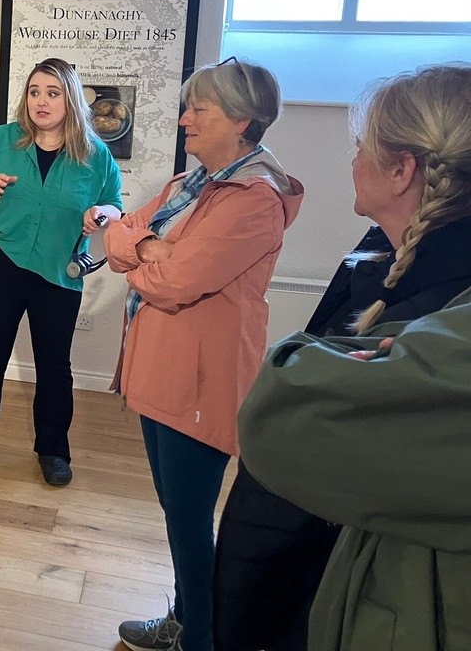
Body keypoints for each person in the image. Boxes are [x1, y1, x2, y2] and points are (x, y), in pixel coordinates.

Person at [217, 62, 471, 651]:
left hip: (371, 602)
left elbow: (283, 416)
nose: (352, 160)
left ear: (402, 169)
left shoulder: (439, 304)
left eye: (362, 147)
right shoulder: (382, 253)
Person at [102, 57, 303, 651]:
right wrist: (149, 247)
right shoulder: (189, 186)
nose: (184, 118)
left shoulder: (254, 198)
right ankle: (187, 620)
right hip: (159, 369)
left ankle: (199, 638)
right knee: (177, 513)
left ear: (241, 120)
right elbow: (116, 241)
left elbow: (176, 282)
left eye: (199, 109)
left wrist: (142, 249)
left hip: (200, 382)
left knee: (188, 520)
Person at [0, 58, 123, 486]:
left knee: (55, 365)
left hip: (60, 271)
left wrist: (102, 213)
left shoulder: (95, 155)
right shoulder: (1, 140)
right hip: (2, 261)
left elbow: (115, 202)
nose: (41, 101)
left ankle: (54, 451)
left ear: (71, 99)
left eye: (52, 93)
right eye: (35, 91)